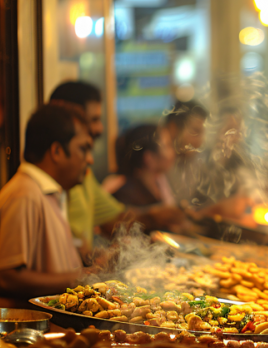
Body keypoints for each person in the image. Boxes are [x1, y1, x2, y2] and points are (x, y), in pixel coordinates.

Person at [48, 81, 188, 256]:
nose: (100, 128)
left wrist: (156, 215)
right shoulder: (39, 188)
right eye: (93, 120)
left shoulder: (84, 176)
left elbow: (114, 220)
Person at [0, 104, 94, 308]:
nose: (90, 159)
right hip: (20, 338)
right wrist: (85, 278)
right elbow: (7, 279)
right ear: (57, 151)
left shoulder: (46, 193)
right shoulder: (25, 194)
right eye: (83, 149)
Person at [112, 124, 176, 208]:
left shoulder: (160, 182)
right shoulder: (128, 195)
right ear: (149, 158)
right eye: (168, 145)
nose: (173, 152)